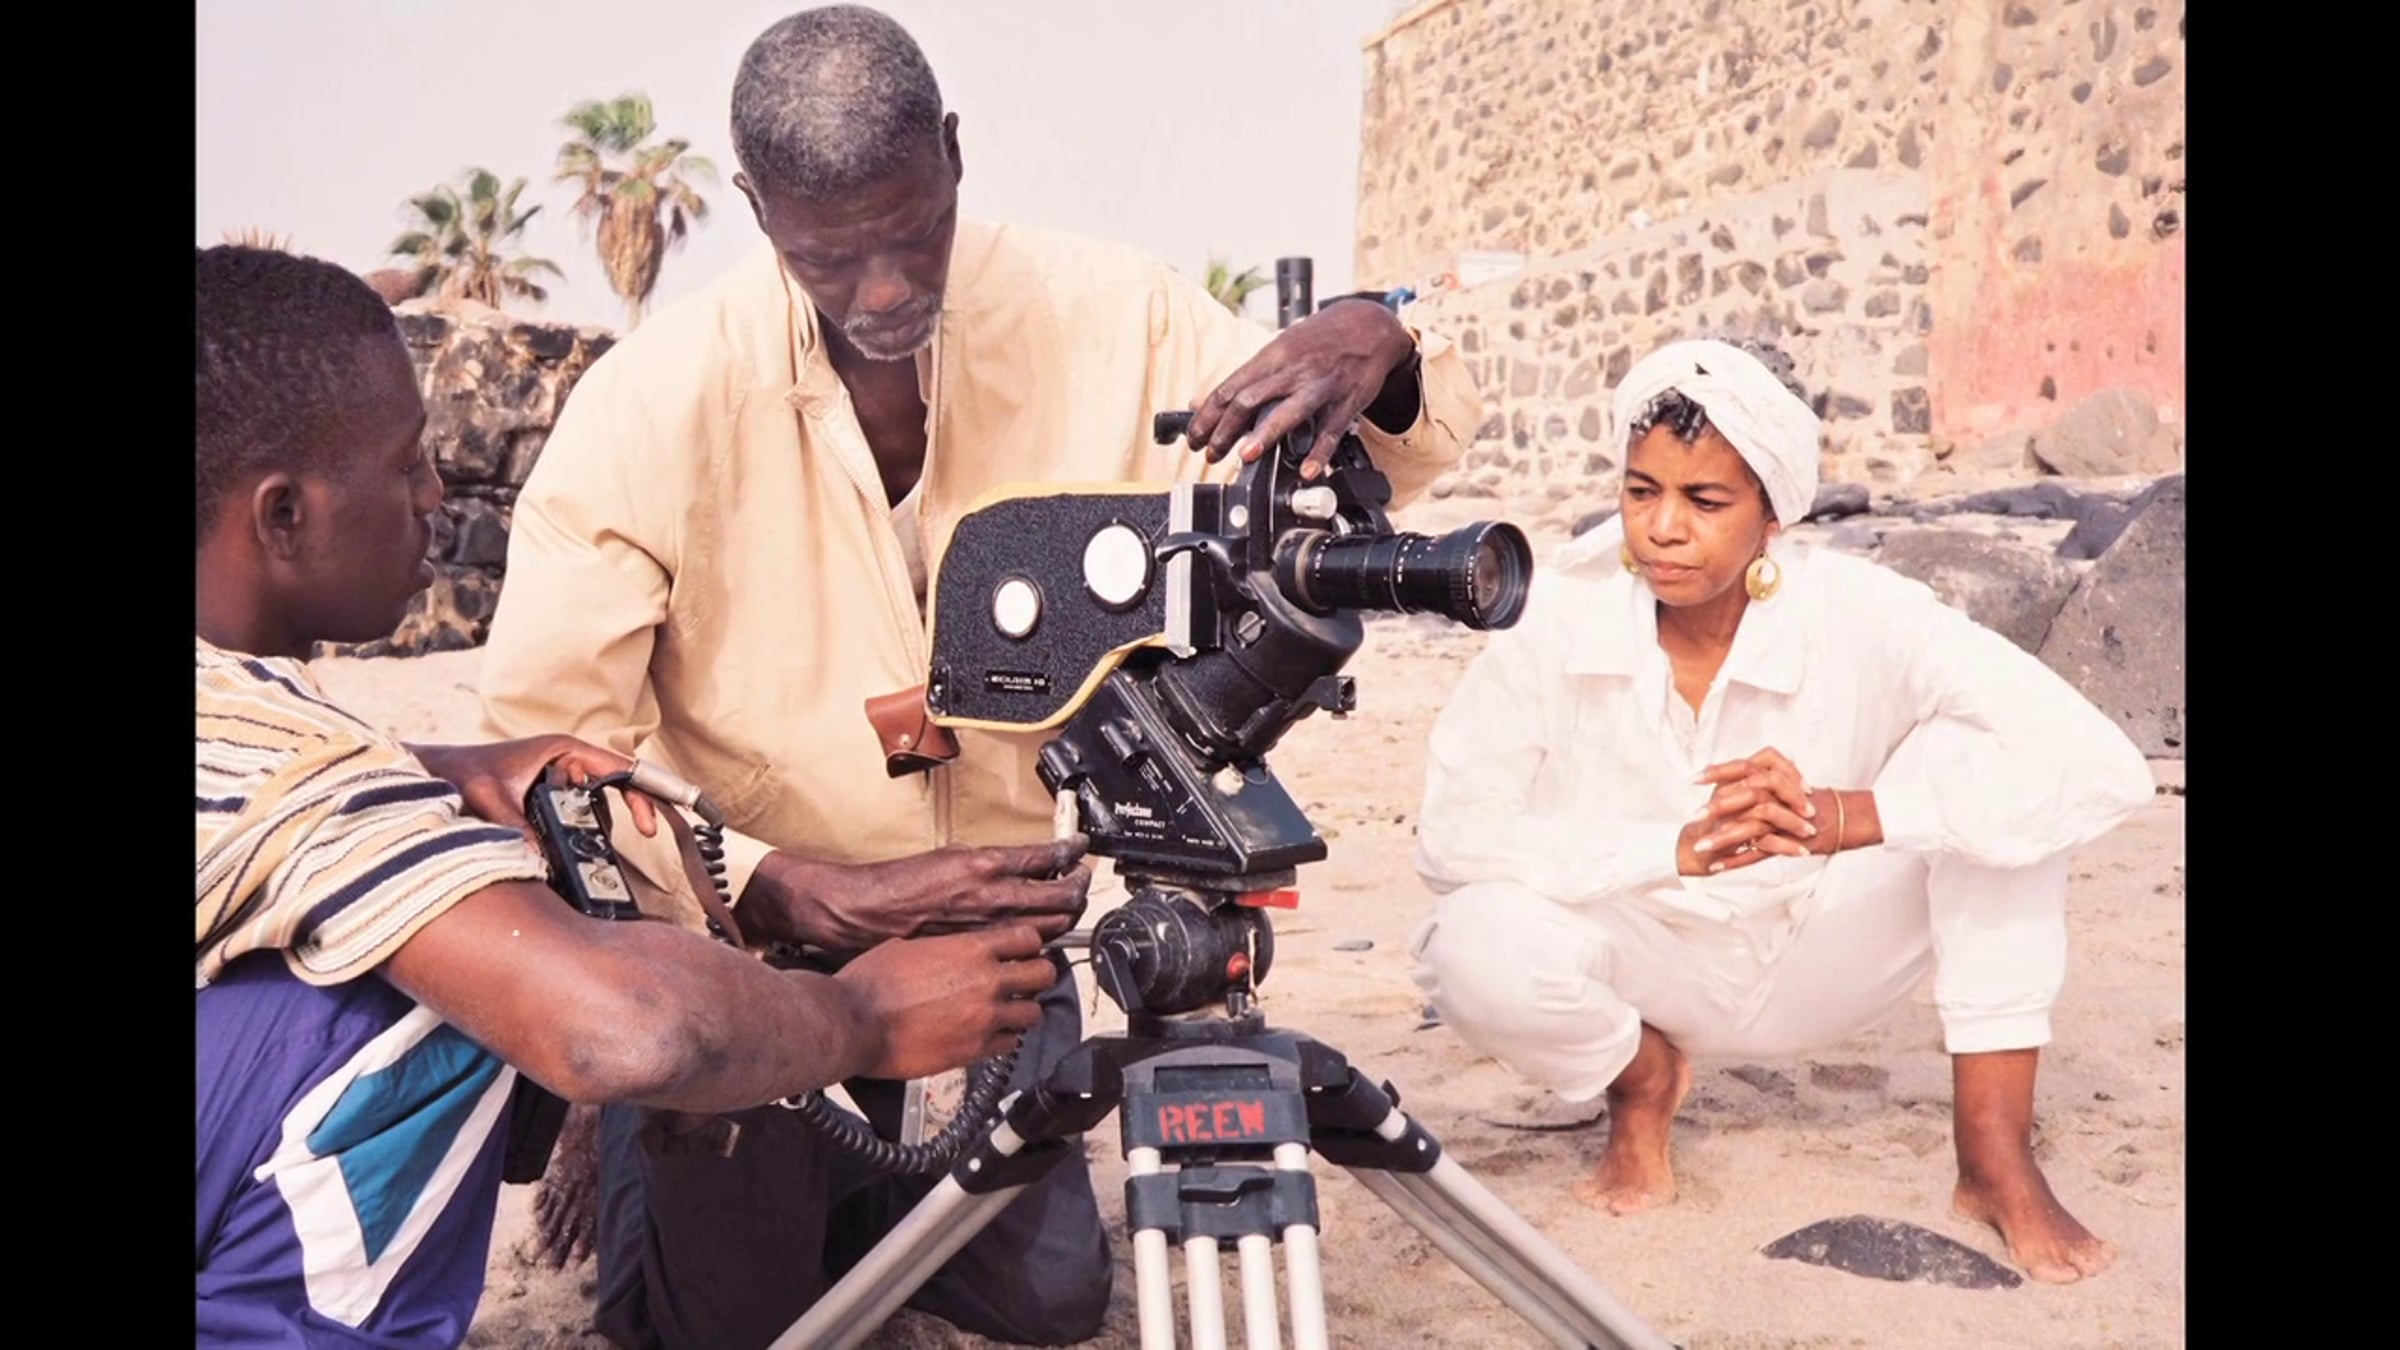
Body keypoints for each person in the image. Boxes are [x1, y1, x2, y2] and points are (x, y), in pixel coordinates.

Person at [471, 6, 1482, 1345]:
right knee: (722, 1324)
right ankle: (664, 1142)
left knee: (1050, 1301)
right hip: (752, 952)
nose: (887, 291)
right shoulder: (648, 405)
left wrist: (1378, 342)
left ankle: (855, 1187)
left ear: (954, 154)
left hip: (999, 949)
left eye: (915, 233)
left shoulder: (1118, 314)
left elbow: (1386, 462)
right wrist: (777, 886)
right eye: (832, 257)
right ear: (756, 210)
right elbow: (543, 759)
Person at [194, 242, 1075, 1348]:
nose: (435, 495)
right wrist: (862, 1019)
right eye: (407, 462)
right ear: (282, 517)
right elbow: (622, 1035)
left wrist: (436, 767)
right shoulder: (314, 784)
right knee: (425, 992)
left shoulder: (251, 733)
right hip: (743, 987)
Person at [1404, 336, 2153, 1286]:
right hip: (1642, 960)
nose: (1664, 529)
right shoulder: (1553, 617)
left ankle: (1994, 1157)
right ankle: (1642, 1083)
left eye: (1705, 501)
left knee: (1997, 775)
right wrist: (1670, 848)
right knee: (1469, 941)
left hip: (1823, 950)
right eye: (1641, 492)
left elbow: (2100, 764)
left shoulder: (1863, 610)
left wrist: (1852, 815)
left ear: (1773, 515)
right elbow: (1451, 836)